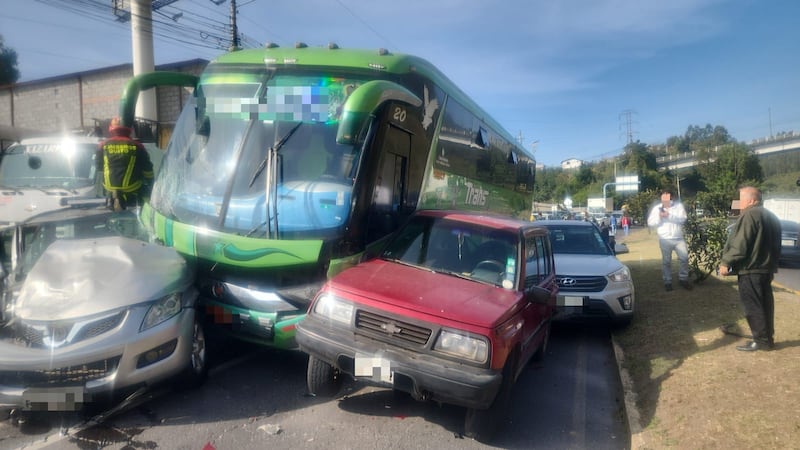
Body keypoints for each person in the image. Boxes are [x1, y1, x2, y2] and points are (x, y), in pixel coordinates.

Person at [718, 186, 782, 352]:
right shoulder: (771, 216)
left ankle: (760, 341)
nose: (739, 203)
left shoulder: (749, 214)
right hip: (766, 269)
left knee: (753, 306)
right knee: (765, 305)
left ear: (752, 200)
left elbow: (741, 243)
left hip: (750, 269)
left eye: (741, 199)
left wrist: (726, 262)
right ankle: (767, 339)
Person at [97, 117, 154, 211]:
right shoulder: (137, 146)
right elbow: (147, 169)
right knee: (149, 195)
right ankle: (148, 210)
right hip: (132, 187)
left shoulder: (102, 145)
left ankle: (114, 198)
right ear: (130, 129)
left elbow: (99, 167)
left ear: (111, 129)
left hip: (109, 187)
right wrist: (151, 182)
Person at [647, 189, 691, 291]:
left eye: (668, 198)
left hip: (678, 238)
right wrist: (659, 217)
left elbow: (683, 219)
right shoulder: (656, 208)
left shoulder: (678, 207)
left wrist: (669, 215)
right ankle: (667, 281)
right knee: (666, 261)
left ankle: (683, 279)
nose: (666, 201)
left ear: (672, 198)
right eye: (663, 198)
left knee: (684, 258)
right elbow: (650, 222)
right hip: (664, 238)